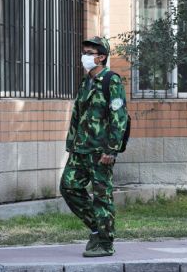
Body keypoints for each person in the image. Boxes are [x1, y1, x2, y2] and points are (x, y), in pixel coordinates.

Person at [60, 36, 128, 257]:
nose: (85, 56)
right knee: (68, 187)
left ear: (101, 57)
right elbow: (77, 115)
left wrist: (111, 150)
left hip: (100, 151)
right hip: (80, 149)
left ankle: (106, 243)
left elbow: (119, 117)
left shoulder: (111, 80)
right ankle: (97, 228)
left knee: (102, 196)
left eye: (89, 53)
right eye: (85, 52)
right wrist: (71, 143)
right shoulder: (85, 81)